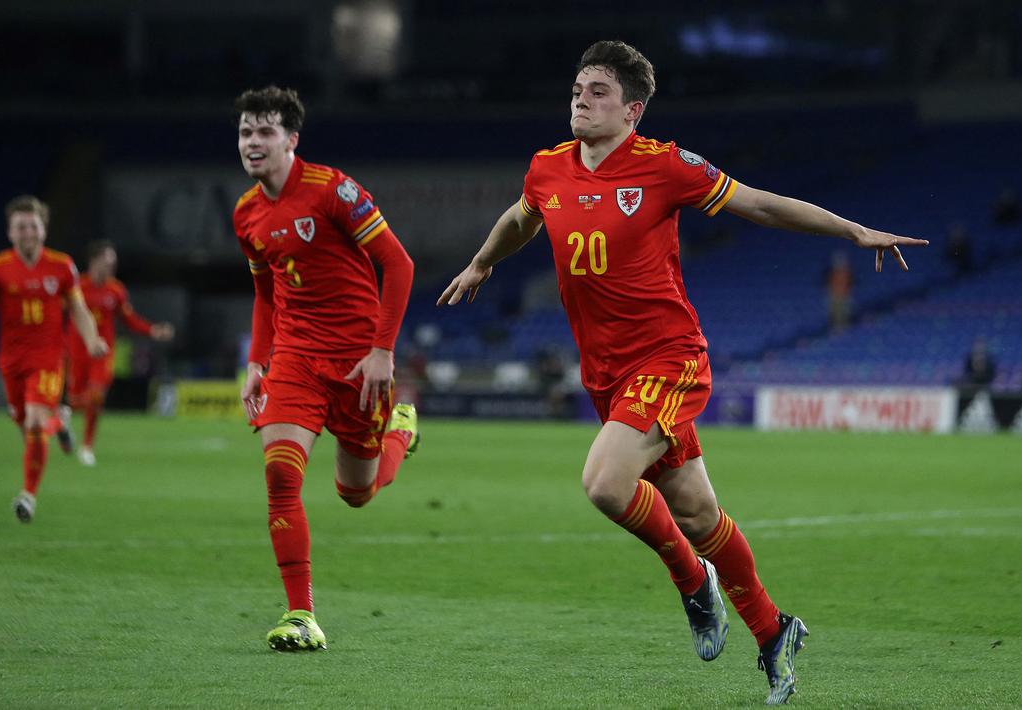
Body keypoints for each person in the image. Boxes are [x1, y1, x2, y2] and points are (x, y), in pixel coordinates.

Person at [438, 41, 928, 705]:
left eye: (599, 92)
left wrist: (851, 231)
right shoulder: (547, 167)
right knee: (697, 514)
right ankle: (773, 631)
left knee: (605, 484)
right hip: (606, 373)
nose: (581, 99)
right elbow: (522, 217)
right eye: (578, 88)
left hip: (668, 358)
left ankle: (692, 582)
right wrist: (482, 262)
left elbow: (758, 204)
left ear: (631, 110)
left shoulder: (665, 165)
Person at [232, 86, 419, 651]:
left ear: (291, 139)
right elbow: (265, 293)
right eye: (245, 132)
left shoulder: (332, 190)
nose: (253, 142)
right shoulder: (245, 213)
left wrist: (383, 351)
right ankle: (300, 614)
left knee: (355, 493)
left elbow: (399, 264)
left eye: (265, 131)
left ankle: (400, 432)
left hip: (360, 362)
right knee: (280, 474)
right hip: (295, 358)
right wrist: (256, 361)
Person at [0, 195, 108, 522]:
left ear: (44, 229)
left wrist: (92, 340)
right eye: (20, 227)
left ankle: (28, 496)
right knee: (27, 427)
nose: (27, 232)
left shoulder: (61, 266)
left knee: (34, 422)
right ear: (10, 232)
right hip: (12, 361)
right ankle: (61, 422)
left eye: (33, 226)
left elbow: (79, 309)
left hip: (49, 358)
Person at [66, 240, 175, 466]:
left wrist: (152, 330)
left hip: (102, 352)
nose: (111, 267)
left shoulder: (116, 290)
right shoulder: (77, 287)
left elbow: (129, 319)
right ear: (94, 261)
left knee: (96, 395)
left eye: (113, 263)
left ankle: (87, 446)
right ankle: (63, 419)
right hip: (77, 350)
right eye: (107, 262)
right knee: (75, 401)